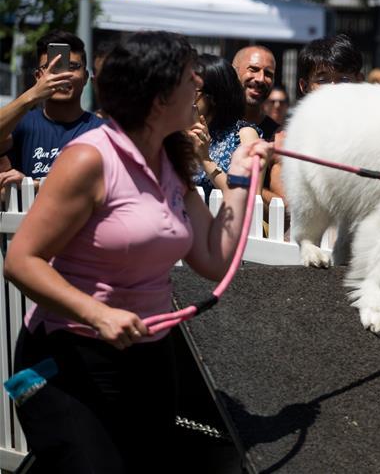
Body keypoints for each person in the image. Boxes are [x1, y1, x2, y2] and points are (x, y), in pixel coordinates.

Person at [3, 30, 271, 472]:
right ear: (159, 95)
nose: (199, 86)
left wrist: (240, 178)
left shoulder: (172, 160)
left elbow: (214, 260)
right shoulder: (90, 158)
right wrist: (98, 314)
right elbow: (20, 261)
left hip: (149, 359)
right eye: (190, 78)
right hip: (70, 357)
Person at [0, 30, 104, 191]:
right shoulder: (22, 123)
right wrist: (32, 95)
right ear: (38, 77)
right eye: (51, 68)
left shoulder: (102, 130)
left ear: (85, 77)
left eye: (72, 67)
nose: (62, 76)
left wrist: (31, 185)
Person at [269, 34, 364, 203]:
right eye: (322, 80)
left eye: (343, 79)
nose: (333, 88)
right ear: (304, 86)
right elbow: (285, 204)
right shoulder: (286, 142)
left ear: (359, 81)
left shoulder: (375, 135)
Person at [189, 54, 263, 200]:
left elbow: (251, 198)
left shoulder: (243, 135)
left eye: (192, 91)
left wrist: (206, 161)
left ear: (214, 97)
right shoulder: (176, 132)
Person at [232, 45, 279, 142]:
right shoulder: (210, 124)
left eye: (268, 74)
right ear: (234, 71)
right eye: (253, 69)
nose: (261, 79)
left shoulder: (276, 137)